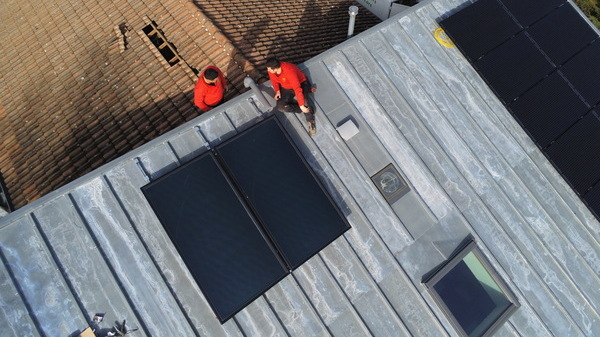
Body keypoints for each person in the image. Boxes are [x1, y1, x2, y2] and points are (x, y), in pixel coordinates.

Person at [265, 57, 316, 135]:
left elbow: (297, 88)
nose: (268, 70)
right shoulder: (272, 71)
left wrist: (302, 105)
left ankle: (310, 120)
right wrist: (277, 90)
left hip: (300, 84)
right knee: (281, 107)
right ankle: (301, 109)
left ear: (275, 68)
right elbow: (274, 80)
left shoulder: (289, 71)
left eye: (269, 69)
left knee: (305, 104)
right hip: (286, 87)